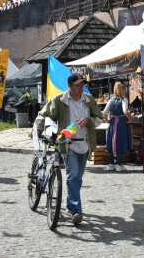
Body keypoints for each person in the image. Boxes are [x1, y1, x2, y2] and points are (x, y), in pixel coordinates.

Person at [29, 73, 103, 225]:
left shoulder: (88, 100)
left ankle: (70, 204)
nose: (81, 87)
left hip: (85, 144)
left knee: (78, 178)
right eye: (78, 85)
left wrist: (88, 121)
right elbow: (43, 115)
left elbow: (99, 118)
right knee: (73, 176)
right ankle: (76, 210)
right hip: (67, 143)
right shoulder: (60, 100)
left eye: (83, 84)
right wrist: (36, 128)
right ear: (70, 86)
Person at [103, 82, 133, 171]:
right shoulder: (124, 99)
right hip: (121, 123)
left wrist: (107, 119)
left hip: (113, 123)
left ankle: (111, 164)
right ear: (122, 89)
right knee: (120, 142)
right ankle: (119, 165)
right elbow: (125, 111)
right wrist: (130, 119)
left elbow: (104, 112)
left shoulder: (111, 100)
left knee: (111, 142)